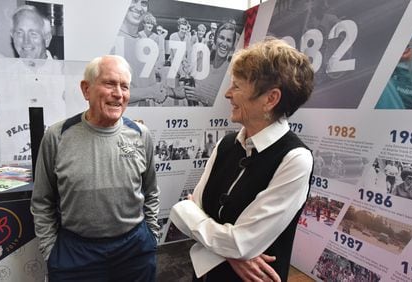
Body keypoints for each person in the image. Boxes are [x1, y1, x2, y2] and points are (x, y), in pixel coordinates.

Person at [170, 37, 314, 281]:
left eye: (236, 86)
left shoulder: (295, 159)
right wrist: (234, 252)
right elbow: (199, 212)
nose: (228, 94)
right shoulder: (226, 144)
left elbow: (195, 215)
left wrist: (234, 246)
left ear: (271, 98)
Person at [31, 55, 160, 281]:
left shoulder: (141, 135)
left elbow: (151, 191)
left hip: (134, 250)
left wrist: (151, 236)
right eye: (110, 83)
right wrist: (51, 250)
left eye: (125, 87)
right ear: (86, 89)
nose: (118, 94)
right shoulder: (57, 136)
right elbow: (42, 200)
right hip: (76, 254)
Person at [115, 0, 167, 106]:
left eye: (144, 2)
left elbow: (149, 85)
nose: (139, 8)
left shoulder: (142, 41)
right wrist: (151, 91)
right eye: (134, 1)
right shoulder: (114, 40)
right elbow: (111, 94)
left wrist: (159, 90)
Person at [183, 20, 237, 106]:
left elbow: (228, 105)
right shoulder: (201, 62)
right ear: (215, 39)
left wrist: (202, 97)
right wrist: (168, 91)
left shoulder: (232, 73)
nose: (224, 43)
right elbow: (189, 90)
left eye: (228, 40)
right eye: (222, 38)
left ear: (232, 45)